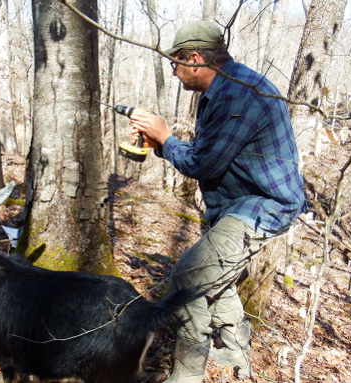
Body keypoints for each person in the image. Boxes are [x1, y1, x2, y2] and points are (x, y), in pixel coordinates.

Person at [129, 21, 306, 382]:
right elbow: (207, 152)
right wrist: (161, 144)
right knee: (217, 279)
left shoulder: (237, 95)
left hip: (263, 206)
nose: (175, 73)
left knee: (187, 279)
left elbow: (201, 163)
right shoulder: (226, 89)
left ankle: (187, 375)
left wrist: (165, 136)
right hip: (240, 204)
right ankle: (237, 361)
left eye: (175, 64)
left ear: (194, 58)